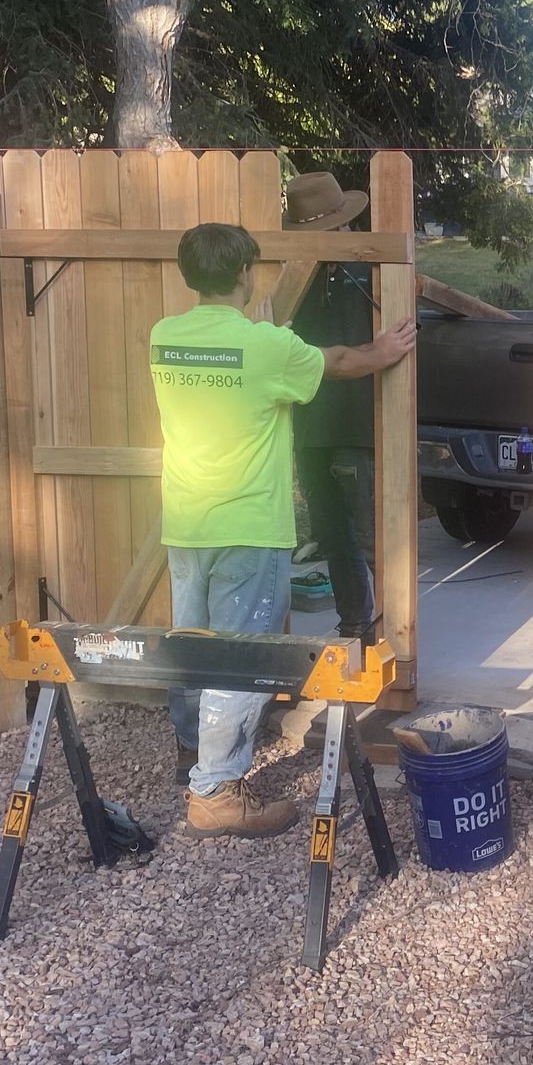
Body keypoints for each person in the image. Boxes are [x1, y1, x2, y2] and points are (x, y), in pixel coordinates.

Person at [154, 221, 416, 839]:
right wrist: (387, 349)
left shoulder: (164, 338)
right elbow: (342, 360)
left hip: (185, 524)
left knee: (192, 643)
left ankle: (195, 751)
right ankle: (215, 792)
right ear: (245, 273)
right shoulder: (267, 346)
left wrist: (262, 329)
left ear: (189, 276)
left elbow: (229, 360)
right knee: (242, 657)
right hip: (247, 525)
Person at [282, 172, 379, 641]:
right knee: (335, 534)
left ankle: (389, 636)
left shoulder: (372, 270)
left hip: (355, 425)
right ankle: (356, 626)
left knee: (369, 537)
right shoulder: (286, 276)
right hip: (312, 424)